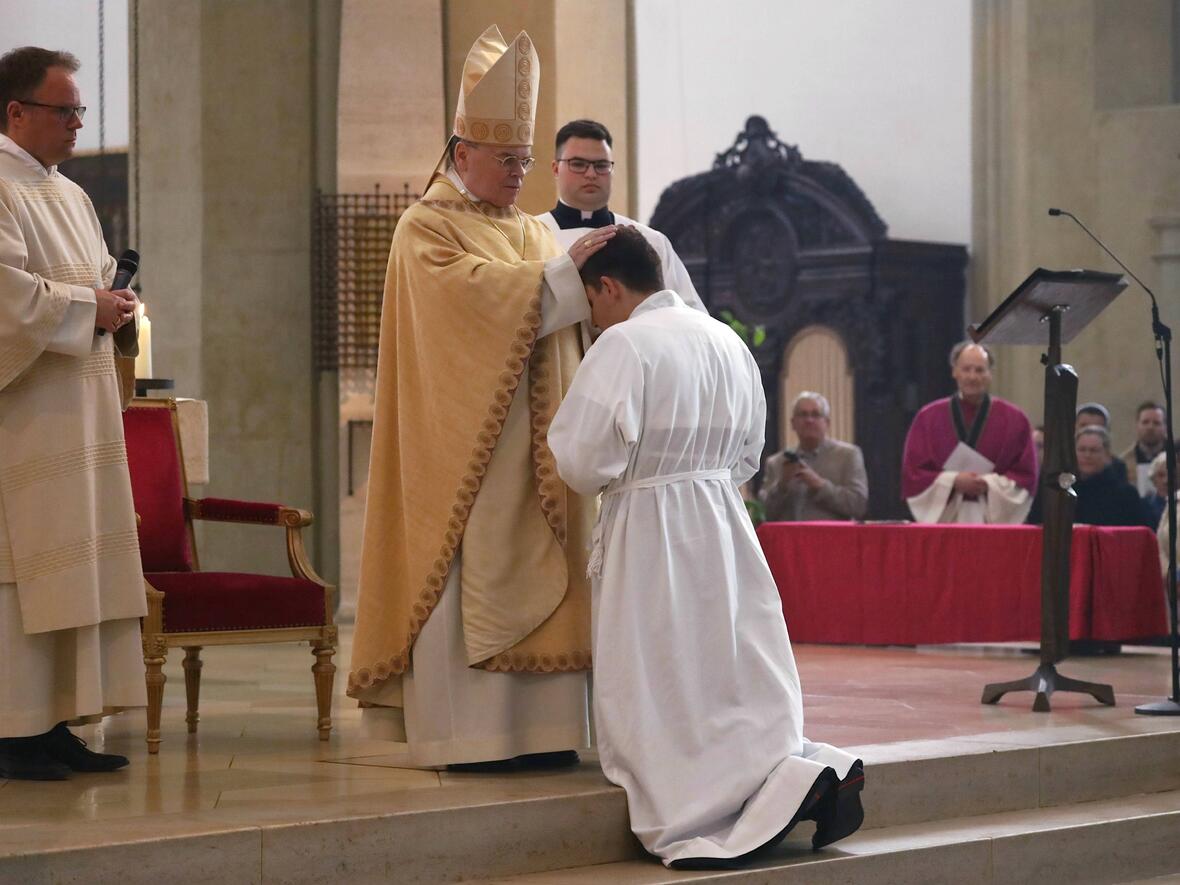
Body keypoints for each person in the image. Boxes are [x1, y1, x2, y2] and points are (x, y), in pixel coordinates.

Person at [548, 227, 863, 869]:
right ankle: (780, 778)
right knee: (730, 659)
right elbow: (751, 453)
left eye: (591, 301)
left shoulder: (624, 345)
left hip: (649, 523)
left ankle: (699, 807)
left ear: (609, 286)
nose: (593, 317)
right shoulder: (727, 341)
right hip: (722, 519)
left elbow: (581, 461)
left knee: (664, 670)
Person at [347, 27, 615, 772]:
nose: (518, 172)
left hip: (541, 460)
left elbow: (561, 320)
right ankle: (470, 735)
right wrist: (564, 280)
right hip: (469, 458)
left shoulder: (532, 230)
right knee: (474, 581)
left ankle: (545, 732)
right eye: (507, 159)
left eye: (526, 160)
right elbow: (463, 310)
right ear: (462, 152)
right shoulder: (425, 227)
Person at [0, 47, 144, 780]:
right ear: (16, 111)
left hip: (81, 413)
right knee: (22, 577)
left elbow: (91, 290)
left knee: (71, 571)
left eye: (82, 110)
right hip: (23, 424)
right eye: (67, 111)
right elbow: (6, 300)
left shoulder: (72, 194)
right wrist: (91, 308)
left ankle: (53, 721)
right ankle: (10, 731)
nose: (79, 123)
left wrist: (119, 308)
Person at [536, 119, 706, 315]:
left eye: (601, 165)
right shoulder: (532, 236)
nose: (591, 174)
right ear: (556, 168)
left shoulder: (650, 241)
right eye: (578, 164)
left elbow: (690, 314)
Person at [902, 341, 1037, 523]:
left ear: (990, 374)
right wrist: (953, 481)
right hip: (946, 520)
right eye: (966, 369)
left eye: (980, 370)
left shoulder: (1016, 419)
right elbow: (914, 473)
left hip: (992, 521)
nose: (972, 376)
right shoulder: (928, 417)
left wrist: (988, 484)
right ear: (954, 372)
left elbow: (1026, 475)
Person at [759, 391, 868, 521]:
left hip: (833, 539)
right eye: (803, 415)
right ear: (793, 423)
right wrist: (782, 485)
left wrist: (820, 485)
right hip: (788, 539)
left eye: (815, 414)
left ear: (827, 423)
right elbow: (761, 514)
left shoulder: (848, 456)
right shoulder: (776, 463)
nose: (809, 420)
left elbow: (858, 505)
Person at [1120, 401, 1167, 496]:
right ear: (1137, 425)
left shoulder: (1176, 458)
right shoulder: (1123, 464)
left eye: (1156, 423)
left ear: (1165, 427)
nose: (1150, 427)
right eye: (1145, 422)